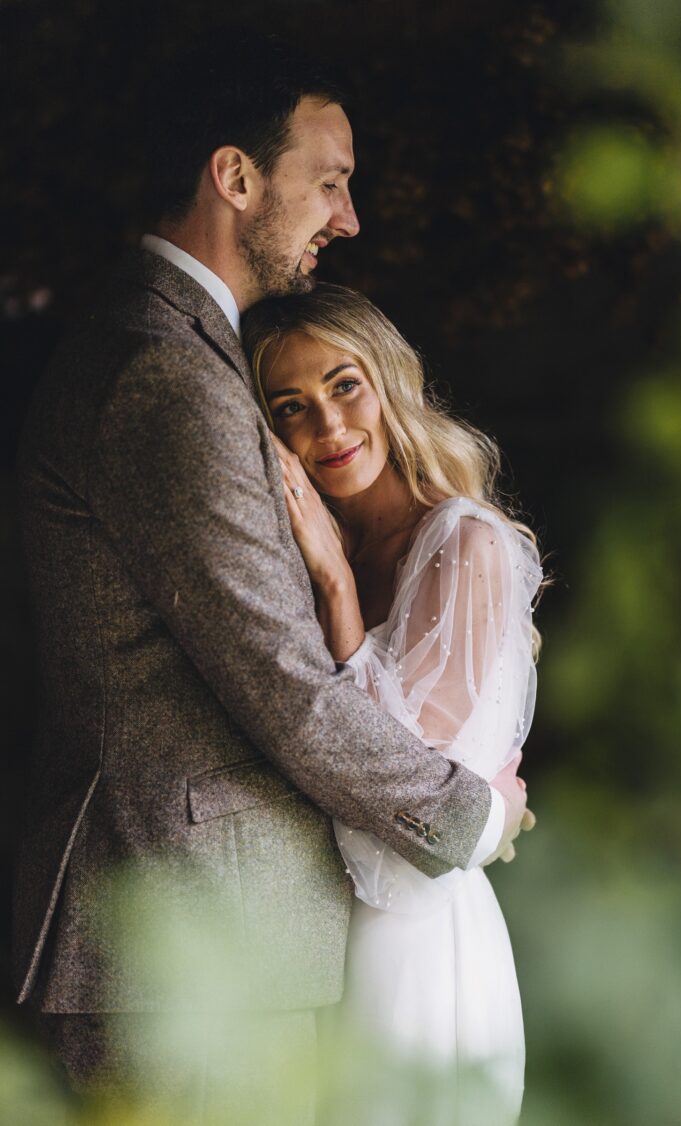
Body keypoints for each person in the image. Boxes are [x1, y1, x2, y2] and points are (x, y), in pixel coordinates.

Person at [13, 34, 529, 1120]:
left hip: (225, 937)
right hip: (191, 940)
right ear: (236, 177)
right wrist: (465, 818)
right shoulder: (164, 372)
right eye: (330, 181)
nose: (348, 219)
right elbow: (282, 683)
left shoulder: (185, 354)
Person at [242, 283, 543, 1123]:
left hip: (418, 938)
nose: (330, 427)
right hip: (320, 931)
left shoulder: (463, 541)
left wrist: (339, 591)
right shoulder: (306, 547)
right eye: (291, 406)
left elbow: (397, 769)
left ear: (388, 381)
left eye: (345, 385)